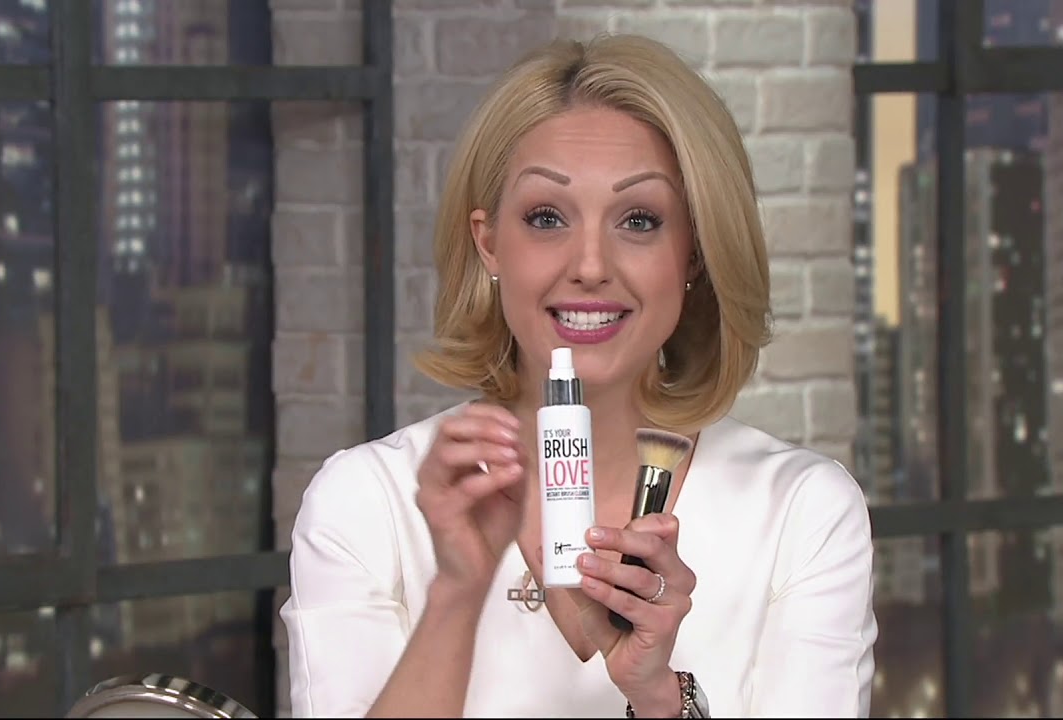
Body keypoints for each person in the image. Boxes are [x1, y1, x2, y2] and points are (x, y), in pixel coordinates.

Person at [279, 33, 878, 718]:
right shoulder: (365, 503)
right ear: (488, 241)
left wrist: (659, 698)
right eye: (546, 218)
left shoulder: (803, 513)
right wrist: (457, 594)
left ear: (694, 252)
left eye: (640, 220)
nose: (590, 265)